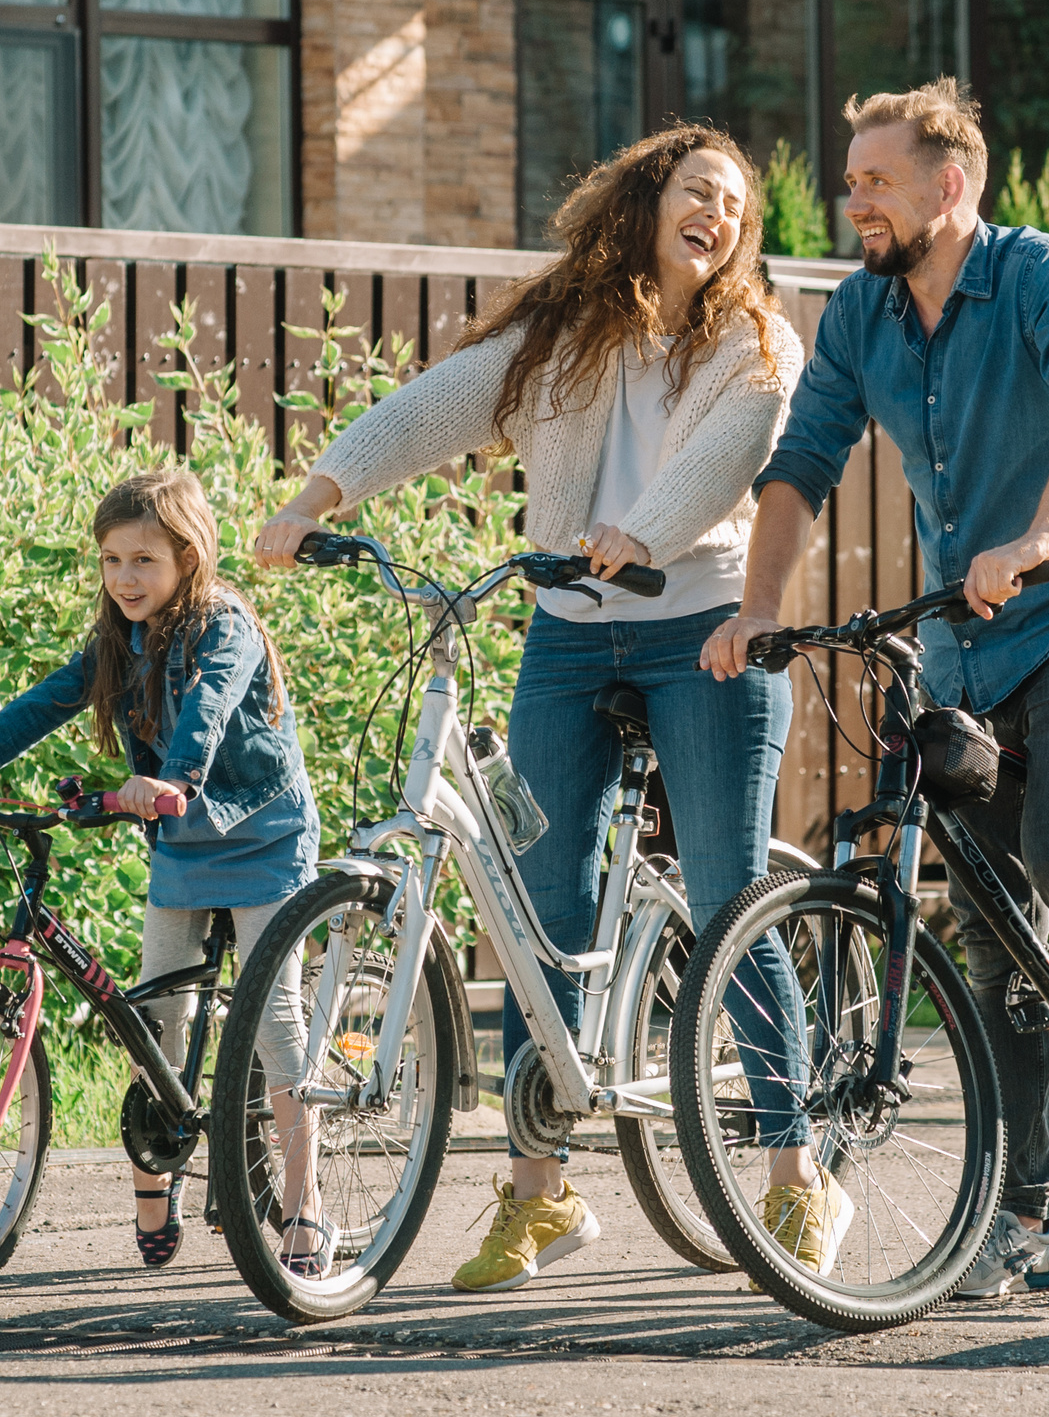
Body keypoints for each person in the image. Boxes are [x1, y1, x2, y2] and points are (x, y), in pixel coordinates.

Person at [250, 123, 836, 1294]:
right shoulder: (564, 334)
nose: (713, 213)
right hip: (569, 633)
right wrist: (315, 496)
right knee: (532, 909)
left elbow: (730, 454)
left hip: (704, 627)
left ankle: (795, 1173)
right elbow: (440, 404)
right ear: (645, 201)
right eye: (693, 190)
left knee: (727, 894)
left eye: (732, 203)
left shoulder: (758, 343)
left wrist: (641, 535)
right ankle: (541, 1197)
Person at [704, 77, 1049, 1299]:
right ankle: (1025, 1217)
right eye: (850, 184)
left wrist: (1043, 530)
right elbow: (800, 465)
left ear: (952, 185)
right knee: (992, 938)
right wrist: (759, 608)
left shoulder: (1038, 271)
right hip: (962, 649)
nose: (854, 204)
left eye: (876, 182)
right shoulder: (859, 318)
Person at [0, 469, 328, 1277]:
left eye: (144, 560)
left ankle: (304, 1203)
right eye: (111, 560)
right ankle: (154, 1183)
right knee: (154, 1019)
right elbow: (46, 701)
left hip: (259, 832)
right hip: (182, 841)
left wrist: (174, 778)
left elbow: (209, 704)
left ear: (189, 556)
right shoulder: (118, 640)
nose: (126, 579)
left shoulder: (228, 625)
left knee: (276, 1026)